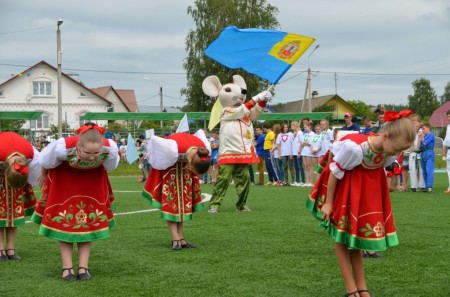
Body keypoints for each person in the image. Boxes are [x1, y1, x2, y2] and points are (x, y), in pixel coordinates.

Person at [305, 110, 416, 297]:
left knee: (355, 240)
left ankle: (362, 286)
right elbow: (334, 173)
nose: (397, 153)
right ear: (386, 136)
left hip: (362, 194)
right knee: (342, 238)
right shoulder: (356, 149)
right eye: (396, 149)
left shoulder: (388, 152)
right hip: (345, 191)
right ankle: (350, 286)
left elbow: (379, 170)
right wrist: (329, 203)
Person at [32, 123, 119, 281]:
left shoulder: (109, 148)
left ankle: (83, 267)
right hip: (64, 185)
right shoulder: (63, 147)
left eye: (96, 153)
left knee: (87, 225)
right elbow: (45, 161)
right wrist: (44, 175)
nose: (92, 157)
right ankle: (67, 268)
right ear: (78, 145)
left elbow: (110, 166)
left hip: (92, 187)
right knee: (65, 224)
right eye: (87, 152)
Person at [142, 131, 210, 250]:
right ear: (190, 162)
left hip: (185, 177)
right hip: (170, 175)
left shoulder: (201, 148)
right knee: (172, 207)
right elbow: (156, 151)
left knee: (183, 207)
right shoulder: (173, 147)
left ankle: (181, 237)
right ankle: (175, 238)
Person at [0, 132, 40, 261]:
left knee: (14, 215)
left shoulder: (30, 152)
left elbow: (36, 168)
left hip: (16, 182)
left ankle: (11, 248)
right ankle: (0, 248)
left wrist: (27, 182)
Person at [408, 114, 425, 192]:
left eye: (415, 121)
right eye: (412, 121)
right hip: (413, 152)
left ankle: (422, 185)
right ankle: (414, 186)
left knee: (421, 169)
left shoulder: (422, 131)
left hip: (421, 152)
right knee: (412, 169)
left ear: (419, 122)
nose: (414, 122)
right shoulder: (410, 132)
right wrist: (410, 147)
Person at [419, 123, 435, 192]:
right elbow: (420, 146)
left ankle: (429, 186)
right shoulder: (424, 136)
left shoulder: (431, 135)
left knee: (429, 170)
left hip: (429, 153)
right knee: (424, 171)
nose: (422, 130)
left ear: (428, 128)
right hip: (423, 153)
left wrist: (422, 137)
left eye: (424, 129)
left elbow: (425, 143)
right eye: (422, 129)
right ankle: (425, 186)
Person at [299, 121, 316, 186]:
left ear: (309, 127)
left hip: (309, 152)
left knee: (310, 167)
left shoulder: (313, 134)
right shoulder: (305, 134)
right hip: (304, 152)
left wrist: (306, 143)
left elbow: (311, 143)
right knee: (306, 167)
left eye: (306, 127)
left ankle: (311, 182)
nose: (304, 128)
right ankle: (307, 181)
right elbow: (303, 143)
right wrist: (306, 143)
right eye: (304, 127)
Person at [291, 121, 305, 186]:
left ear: (295, 126)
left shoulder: (300, 133)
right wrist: (291, 153)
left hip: (298, 152)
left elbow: (302, 143)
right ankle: (297, 181)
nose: (291, 127)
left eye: (292, 125)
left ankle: (303, 181)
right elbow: (292, 144)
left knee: (300, 167)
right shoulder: (293, 133)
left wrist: (299, 152)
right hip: (294, 153)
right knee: (296, 167)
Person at [442, 110, 450, 193]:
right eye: (448, 117)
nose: (448, 118)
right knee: (449, 169)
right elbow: (446, 139)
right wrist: (444, 149)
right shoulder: (448, 127)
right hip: (449, 150)